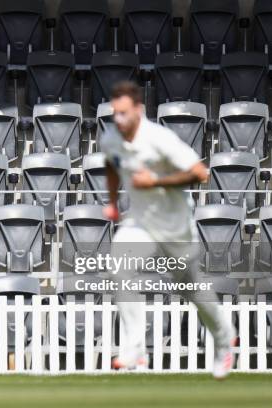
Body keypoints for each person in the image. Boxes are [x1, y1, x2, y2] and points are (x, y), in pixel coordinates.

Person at [100, 81, 235, 379]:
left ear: (139, 110)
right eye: (115, 114)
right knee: (119, 268)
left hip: (175, 227)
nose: (119, 120)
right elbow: (112, 165)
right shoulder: (110, 138)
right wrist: (111, 202)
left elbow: (200, 173)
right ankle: (134, 348)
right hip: (139, 223)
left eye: (124, 114)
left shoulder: (159, 138)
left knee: (192, 289)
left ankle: (224, 338)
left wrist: (157, 182)